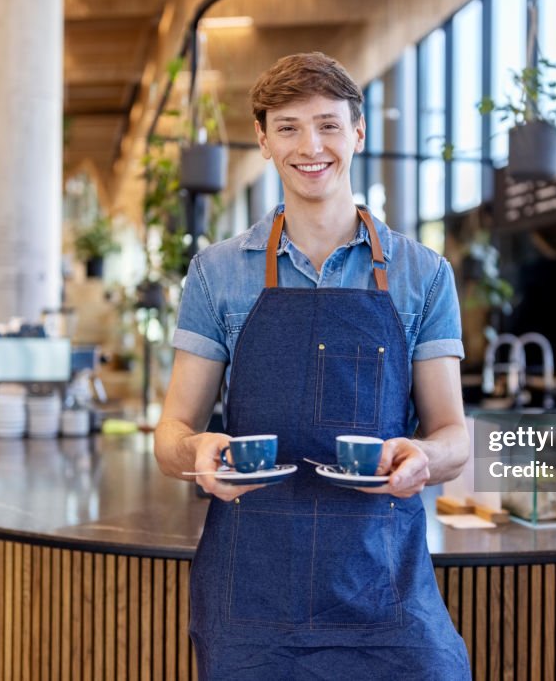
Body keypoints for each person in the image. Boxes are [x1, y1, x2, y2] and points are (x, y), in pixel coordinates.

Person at [154, 52, 472, 679]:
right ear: (264, 140)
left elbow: (454, 438)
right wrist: (196, 452)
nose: (311, 145)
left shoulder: (423, 275)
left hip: (385, 588)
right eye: (290, 127)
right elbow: (170, 434)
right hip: (251, 595)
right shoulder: (217, 273)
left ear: (357, 132)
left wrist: (424, 459)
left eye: (328, 124)